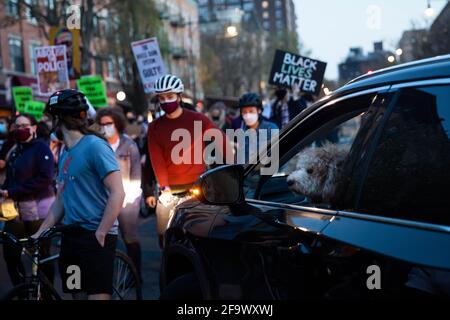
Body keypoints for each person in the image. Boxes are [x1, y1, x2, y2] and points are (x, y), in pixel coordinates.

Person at [33, 89, 125, 300]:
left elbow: (117, 192)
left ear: (59, 118)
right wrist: (40, 232)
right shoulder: (65, 151)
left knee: (96, 297)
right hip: (72, 236)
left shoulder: (95, 147)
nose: (48, 124)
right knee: (77, 294)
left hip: (96, 235)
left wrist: (101, 232)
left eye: (50, 118)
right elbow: (61, 199)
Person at [148, 74, 231, 248]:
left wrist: (234, 167)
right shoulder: (154, 127)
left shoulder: (197, 119)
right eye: (162, 98)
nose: (166, 101)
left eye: (170, 97)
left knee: (205, 231)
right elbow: (157, 159)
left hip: (197, 186)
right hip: (169, 190)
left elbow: (220, 140)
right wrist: (165, 187)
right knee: (164, 232)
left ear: (179, 96)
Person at [0, 114, 55, 287]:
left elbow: (45, 178)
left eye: (24, 125)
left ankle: (47, 293)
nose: (20, 129)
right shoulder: (16, 150)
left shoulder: (41, 148)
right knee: (10, 254)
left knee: (42, 256)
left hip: (39, 211)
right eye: (16, 126)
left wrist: (13, 191)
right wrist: (4, 191)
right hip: (16, 212)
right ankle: (21, 290)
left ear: (34, 128)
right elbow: (11, 177)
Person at [95, 107, 143, 280]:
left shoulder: (129, 145)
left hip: (128, 199)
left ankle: (135, 275)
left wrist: (128, 197)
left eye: (109, 123)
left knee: (129, 235)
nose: (105, 127)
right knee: (106, 235)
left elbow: (136, 173)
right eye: (102, 124)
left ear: (117, 123)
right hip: (104, 198)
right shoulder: (98, 145)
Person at [238, 93, 279, 163]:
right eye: (244, 112)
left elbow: (277, 154)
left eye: (251, 111)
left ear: (259, 110)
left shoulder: (270, 129)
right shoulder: (242, 132)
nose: (247, 115)